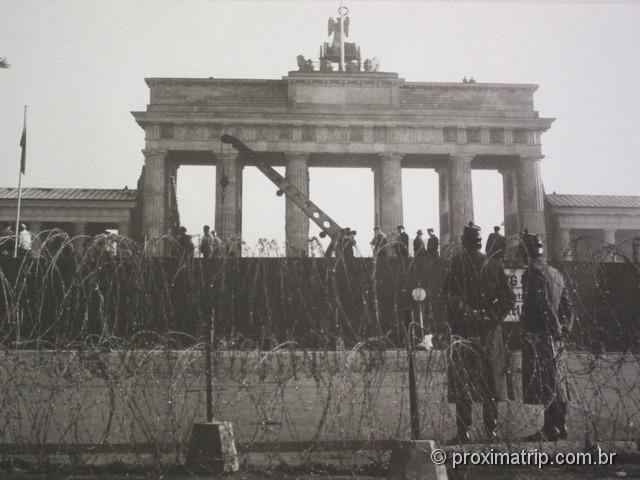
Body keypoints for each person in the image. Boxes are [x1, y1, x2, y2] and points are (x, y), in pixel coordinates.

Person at [442, 222, 515, 444]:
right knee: (490, 383)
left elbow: (448, 297)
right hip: (490, 333)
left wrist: (468, 313)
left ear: (464, 242)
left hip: (465, 331)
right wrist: (490, 317)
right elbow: (508, 299)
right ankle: (491, 430)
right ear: (481, 242)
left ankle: (463, 430)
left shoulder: (455, 263)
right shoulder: (494, 265)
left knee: (463, 381)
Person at [519, 232, 574, 442]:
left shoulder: (534, 272)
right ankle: (560, 424)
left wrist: (552, 329)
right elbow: (568, 306)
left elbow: (544, 305)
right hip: (557, 336)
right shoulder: (555, 273)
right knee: (559, 381)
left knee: (547, 382)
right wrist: (564, 329)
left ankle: (550, 427)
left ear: (528, 251)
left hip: (541, 334)